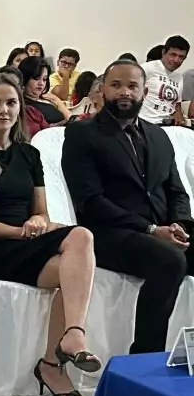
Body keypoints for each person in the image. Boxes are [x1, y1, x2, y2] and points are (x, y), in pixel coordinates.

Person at [0, 75, 101, 396]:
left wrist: (37, 222)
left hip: (25, 241)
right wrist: (23, 230)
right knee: (82, 236)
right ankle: (74, 337)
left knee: (71, 268)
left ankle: (52, 364)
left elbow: (41, 213)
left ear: (20, 107)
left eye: (11, 103)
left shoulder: (28, 154)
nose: (3, 110)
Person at [63, 60, 194, 353]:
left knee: (177, 249)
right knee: (170, 261)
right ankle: (144, 358)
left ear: (144, 91)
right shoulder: (82, 135)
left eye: (132, 86)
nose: (124, 92)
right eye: (116, 85)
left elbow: (176, 191)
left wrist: (181, 225)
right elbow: (90, 201)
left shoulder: (159, 135)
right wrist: (149, 229)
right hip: (109, 233)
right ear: (102, 90)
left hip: (161, 230)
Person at [140, 35, 191, 125]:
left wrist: (179, 116)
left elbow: (177, 105)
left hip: (168, 125)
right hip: (146, 123)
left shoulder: (179, 77)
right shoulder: (147, 68)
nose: (176, 60)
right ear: (164, 52)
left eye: (181, 57)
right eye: (173, 54)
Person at [18, 56, 69, 135]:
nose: (41, 84)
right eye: (36, 78)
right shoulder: (22, 105)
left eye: (44, 79)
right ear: (25, 78)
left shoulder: (50, 98)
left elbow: (69, 117)